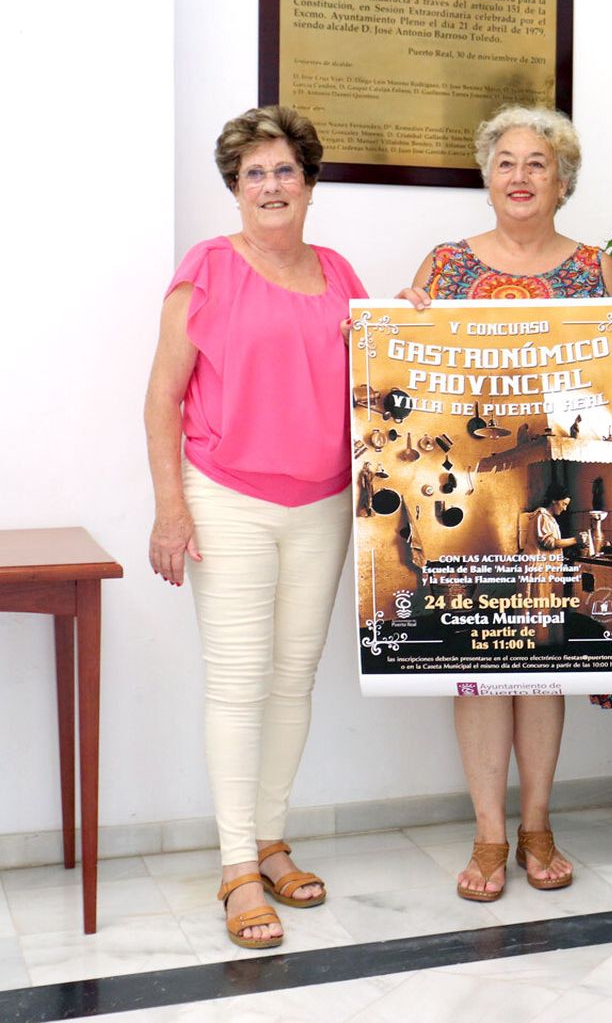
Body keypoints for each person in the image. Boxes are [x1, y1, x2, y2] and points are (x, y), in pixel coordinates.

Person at [144, 105, 366, 949]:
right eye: (253, 175)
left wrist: (420, 325)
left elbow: (377, 375)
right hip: (226, 498)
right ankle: (237, 865)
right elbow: (162, 397)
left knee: (293, 677)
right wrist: (171, 508)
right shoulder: (207, 268)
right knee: (238, 681)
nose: (271, 186)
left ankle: (272, 839)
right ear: (236, 190)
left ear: (309, 181)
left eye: (284, 171)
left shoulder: (342, 271)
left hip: (321, 504)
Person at [399, 104, 612, 902]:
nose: (521, 176)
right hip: (466, 496)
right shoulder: (446, 266)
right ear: (486, 176)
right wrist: (401, 324)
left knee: (543, 662)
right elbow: (405, 379)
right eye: (507, 162)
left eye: (538, 163)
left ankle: (538, 824)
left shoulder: (595, 269)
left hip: (554, 492)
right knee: (478, 663)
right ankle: (490, 834)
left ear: (562, 179)